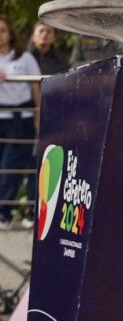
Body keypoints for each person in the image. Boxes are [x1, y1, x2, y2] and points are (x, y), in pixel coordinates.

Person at [0, 16, 41, 230]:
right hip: (0, 116)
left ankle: (3, 214)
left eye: (3, 30)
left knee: (10, 168)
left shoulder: (24, 58)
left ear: (10, 33)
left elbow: (36, 88)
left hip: (20, 119)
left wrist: (38, 115)